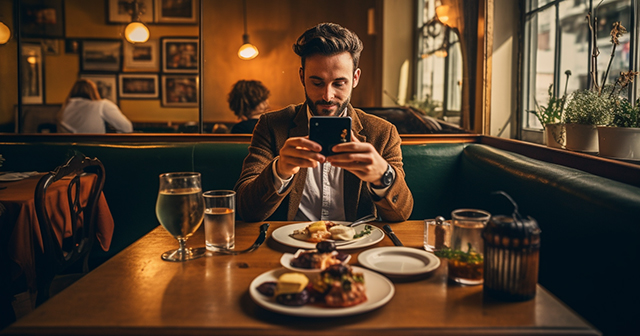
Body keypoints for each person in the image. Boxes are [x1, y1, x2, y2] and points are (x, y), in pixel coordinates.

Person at [234, 23, 413, 222]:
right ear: (302, 77)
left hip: (356, 246)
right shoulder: (271, 126)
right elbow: (245, 209)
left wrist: (383, 175)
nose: (327, 96)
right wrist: (279, 170)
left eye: (339, 83)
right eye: (317, 83)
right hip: (291, 246)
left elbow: (402, 214)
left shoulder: (383, 132)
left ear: (355, 78)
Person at [57, 79, 133, 133]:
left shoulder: (64, 109)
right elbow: (127, 128)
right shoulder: (101, 105)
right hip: (95, 151)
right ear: (94, 91)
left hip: (69, 153)